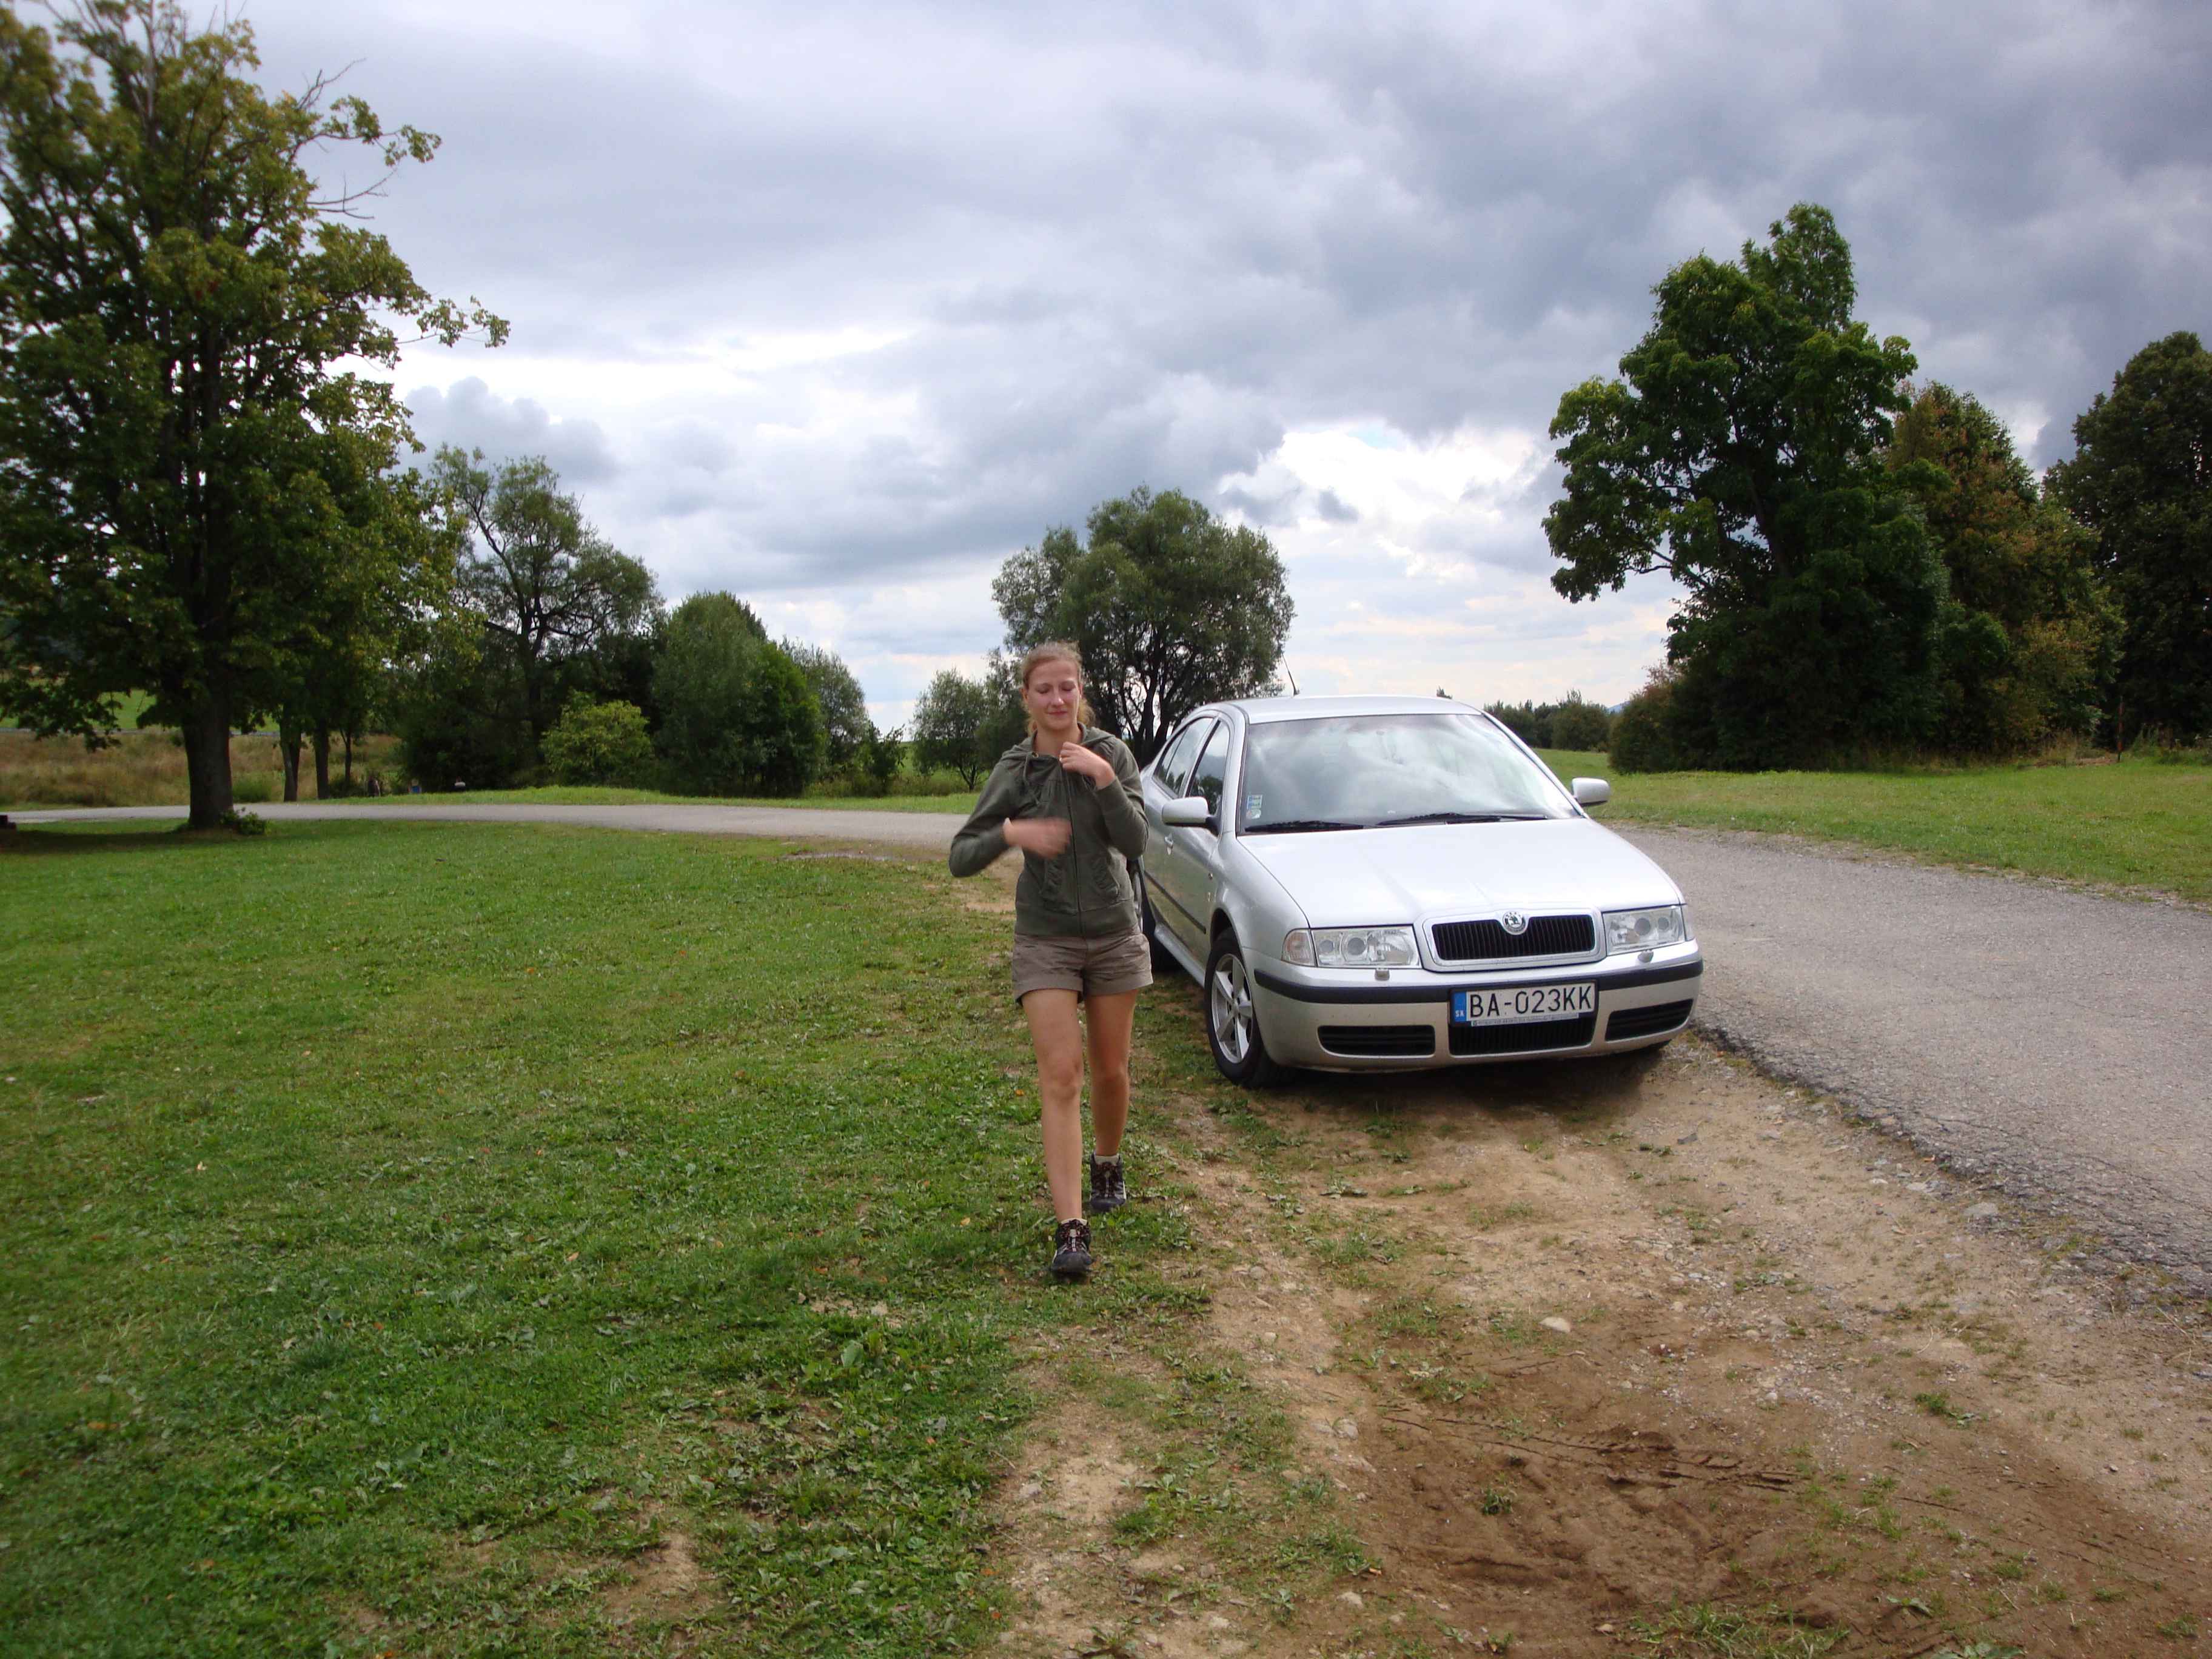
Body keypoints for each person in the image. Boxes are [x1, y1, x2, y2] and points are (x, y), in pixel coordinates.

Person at [950, 642, 1151, 1278]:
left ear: (1080, 691)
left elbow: (1136, 842)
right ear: (1027, 697)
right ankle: (1071, 1228)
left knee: (1111, 1071)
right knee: (1062, 1077)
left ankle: (1108, 1162)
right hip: (1046, 939)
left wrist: (1104, 779)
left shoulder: (1111, 753)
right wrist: (1012, 833)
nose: (1058, 699)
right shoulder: (1016, 769)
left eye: (1067, 687)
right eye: (1045, 689)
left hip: (1113, 934)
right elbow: (961, 855)